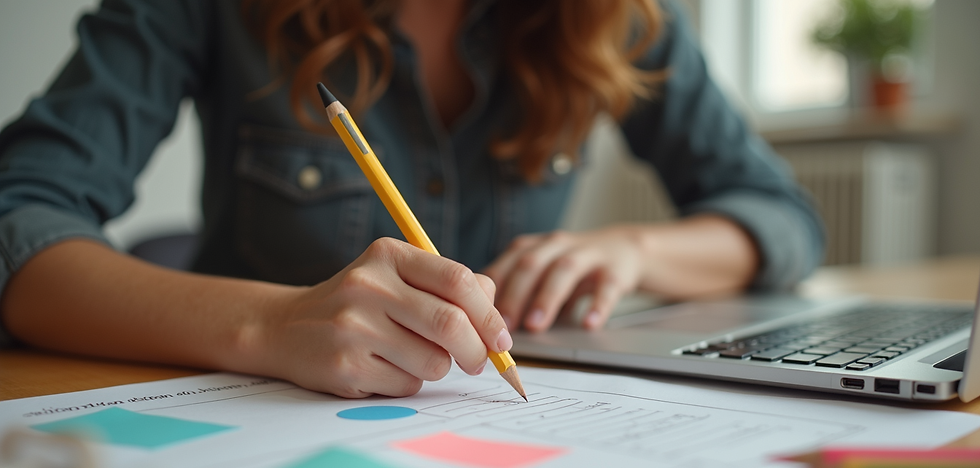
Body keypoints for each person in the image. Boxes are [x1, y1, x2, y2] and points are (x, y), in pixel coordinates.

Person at [0, 0, 823, 399]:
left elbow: (780, 216)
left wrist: (636, 250)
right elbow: (19, 215)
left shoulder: (617, 15)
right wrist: (270, 323)